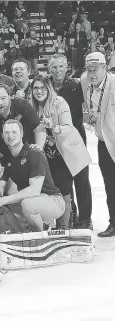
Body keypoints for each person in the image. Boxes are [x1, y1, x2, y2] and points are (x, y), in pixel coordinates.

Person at [0, 119, 64, 231]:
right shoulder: (6, 160)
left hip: (53, 200)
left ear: (22, 133)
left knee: (27, 204)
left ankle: (41, 233)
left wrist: (3, 200)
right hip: (31, 202)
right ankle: (27, 230)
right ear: (2, 135)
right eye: (7, 133)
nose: (10, 136)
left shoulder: (34, 153)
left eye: (14, 132)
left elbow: (35, 190)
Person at [48, 54, 92, 229]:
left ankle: (86, 219)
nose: (58, 70)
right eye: (54, 67)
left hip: (75, 139)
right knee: (63, 182)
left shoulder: (76, 85)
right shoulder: (45, 86)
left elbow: (91, 101)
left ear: (67, 67)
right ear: (49, 69)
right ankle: (71, 216)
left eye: (61, 66)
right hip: (54, 141)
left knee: (81, 179)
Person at [80, 52, 115, 237]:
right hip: (104, 141)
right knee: (110, 184)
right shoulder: (87, 83)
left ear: (105, 68)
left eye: (96, 70)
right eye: (89, 70)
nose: (92, 74)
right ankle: (114, 222)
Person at [0, 83, 46, 158]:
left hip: (27, 149)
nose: (0, 103)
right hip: (5, 156)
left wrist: (39, 147)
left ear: (9, 97)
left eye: (3, 98)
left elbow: (38, 128)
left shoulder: (21, 104)